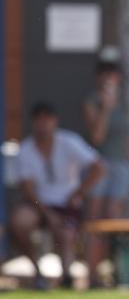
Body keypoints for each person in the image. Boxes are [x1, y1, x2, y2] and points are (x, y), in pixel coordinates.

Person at [9, 103, 104, 289]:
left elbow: (99, 167)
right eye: (39, 120)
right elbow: (27, 189)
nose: (43, 125)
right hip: (37, 204)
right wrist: (46, 213)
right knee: (20, 222)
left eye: (47, 119)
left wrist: (78, 193)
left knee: (66, 233)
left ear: (55, 121)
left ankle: (66, 276)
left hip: (67, 204)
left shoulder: (69, 141)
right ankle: (38, 273)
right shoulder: (26, 150)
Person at [82, 48, 129, 288]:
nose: (109, 77)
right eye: (104, 72)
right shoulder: (92, 101)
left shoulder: (126, 101)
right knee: (94, 219)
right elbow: (97, 137)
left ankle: (115, 272)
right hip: (98, 166)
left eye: (113, 72)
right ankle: (91, 275)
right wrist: (106, 108)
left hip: (120, 165)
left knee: (114, 218)